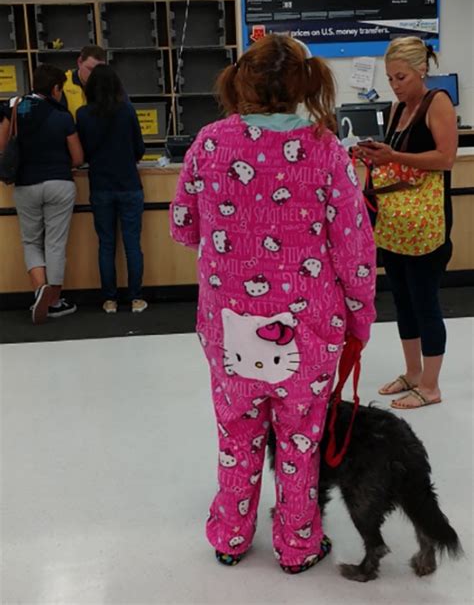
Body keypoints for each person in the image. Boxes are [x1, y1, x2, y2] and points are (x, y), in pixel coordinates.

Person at [170, 34, 376, 572]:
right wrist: (361, 315)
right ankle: (298, 542)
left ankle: (232, 535)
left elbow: (182, 226)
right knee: (300, 437)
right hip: (308, 327)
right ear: (302, 85)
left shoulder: (210, 143)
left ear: (240, 82)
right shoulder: (326, 149)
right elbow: (354, 245)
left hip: (227, 325)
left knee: (236, 433)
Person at [356, 36, 457, 410]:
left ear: (421, 71)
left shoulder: (438, 103)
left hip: (426, 223)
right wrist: (374, 155)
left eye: (401, 77)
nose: (395, 85)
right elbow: (396, 161)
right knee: (402, 299)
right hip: (396, 222)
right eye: (390, 78)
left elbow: (446, 158)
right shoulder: (399, 109)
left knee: (424, 300)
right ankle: (412, 373)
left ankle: (430, 386)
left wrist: (394, 154)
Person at [0, 64, 83, 324]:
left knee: (31, 241)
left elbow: (2, 146)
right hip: (59, 183)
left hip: (26, 184)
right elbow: (78, 157)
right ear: (56, 88)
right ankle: (55, 301)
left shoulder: (15, 108)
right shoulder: (62, 116)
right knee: (55, 243)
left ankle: (40, 291)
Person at [76, 65, 147, 314]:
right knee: (132, 243)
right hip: (128, 184)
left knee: (106, 244)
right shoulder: (127, 111)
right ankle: (136, 298)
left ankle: (110, 300)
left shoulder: (83, 115)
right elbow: (140, 148)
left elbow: (81, 152)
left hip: (101, 186)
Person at [62, 45, 106, 121]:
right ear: (79, 62)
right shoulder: (62, 83)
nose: (95, 75)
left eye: (99, 70)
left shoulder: (110, 83)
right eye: (90, 69)